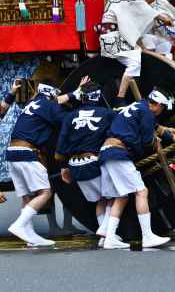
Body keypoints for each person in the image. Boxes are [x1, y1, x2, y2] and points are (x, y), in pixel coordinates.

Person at [99, 87, 174, 249]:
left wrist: (174, 136)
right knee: (141, 191)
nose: (161, 112)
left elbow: (155, 128)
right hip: (118, 153)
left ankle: (109, 238)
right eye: (162, 107)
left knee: (121, 196)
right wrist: (156, 143)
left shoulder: (136, 106)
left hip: (106, 152)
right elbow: (147, 141)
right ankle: (147, 236)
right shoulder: (146, 112)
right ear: (158, 104)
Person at [6, 79, 68, 247]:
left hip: (12, 152)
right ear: (52, 92)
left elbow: (58, 101)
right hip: (27, 152)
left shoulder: (33, 103)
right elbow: (66, 122)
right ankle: (19, 225)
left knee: (27, 195)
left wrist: (74, 93)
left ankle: (29, 235)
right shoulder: (49, 105)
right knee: (45, 193)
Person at [55, 81, 116, 246]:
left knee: (100, 200)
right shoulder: (107, 114)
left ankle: (104, 237)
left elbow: (61, 146)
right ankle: (107, 233)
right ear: (98, 96)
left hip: (75, 165)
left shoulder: (69, 116)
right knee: (114, 197)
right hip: (94, 163)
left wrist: (63, 168)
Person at [97, 0, 172, 105]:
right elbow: (145, 10)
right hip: (112, 37)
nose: (153, 1)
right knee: (134, 61)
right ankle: (119, 99)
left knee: (144, 47)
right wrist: (163, 18)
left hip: (117, 35)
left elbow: (130, 22)